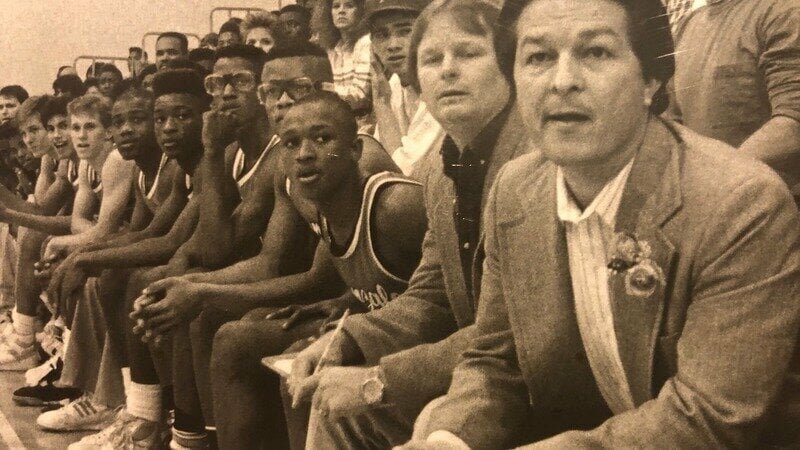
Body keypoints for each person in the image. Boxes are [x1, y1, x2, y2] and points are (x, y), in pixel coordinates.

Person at [396, 0, 800, 448]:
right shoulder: (516, 189)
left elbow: (708, 420)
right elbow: (496, 361)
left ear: (651, 79)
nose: (562, 82)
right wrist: (450, 439)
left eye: (596, 53)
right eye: (538, 57)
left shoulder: (740, 203)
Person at [289, 0, 528, 447]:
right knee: (333, 404)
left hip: (528, 380)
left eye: (469, 53)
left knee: (420, 416)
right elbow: (431, 294)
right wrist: (348, 341)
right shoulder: (440, 171)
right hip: (477, 367)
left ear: (508, 64)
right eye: (432, 59)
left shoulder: (533, 161)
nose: (448, 70)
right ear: (416, 78)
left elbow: (517, 330)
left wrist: (380, 378)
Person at [201, 91, 423, 450]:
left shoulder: (395, 206)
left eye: (322, 139)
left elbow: (447, 287)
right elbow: (363, 276)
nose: (304, 154)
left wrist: (360, 327)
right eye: (290, 144)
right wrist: (349, 299)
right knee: (274, 351)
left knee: (310, 364)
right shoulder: (318, 205)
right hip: (378, 328)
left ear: (355, 151)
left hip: (424, 348)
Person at [671, 0, 800, 202]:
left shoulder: (783, 12)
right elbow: (673, 126)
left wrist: (713, 179)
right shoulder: (689, 25)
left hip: (770, 209)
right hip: (710, 207)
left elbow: (792, 125)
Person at [367, 0, 444, 176]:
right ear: (372, 46)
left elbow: (404, 172)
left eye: (405, 31)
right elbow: (380, 157)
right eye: (382, 35)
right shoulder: (393, 84)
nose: (393, 45)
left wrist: (381, 101)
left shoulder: (440, 83)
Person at [313, 0, 372, 112]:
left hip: (364, 122)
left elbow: (360, 97)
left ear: (361, 11)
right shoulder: (332, 48)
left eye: (349, 6)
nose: (341, 11)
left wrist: (322, 88)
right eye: (336, 6)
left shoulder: (366, 42)